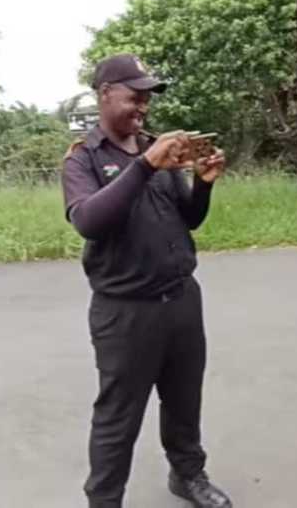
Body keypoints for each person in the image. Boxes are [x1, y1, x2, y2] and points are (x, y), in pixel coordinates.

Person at [61, 53, 231, 508]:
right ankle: (104, 500)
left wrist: (205, 183)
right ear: (104, 95)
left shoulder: (158, 148)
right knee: (118, 416)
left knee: (183, 400)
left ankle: (188, 475)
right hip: (125, 311)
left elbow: (188, 219)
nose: (142, 107)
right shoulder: (84, 160)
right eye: (134, 96)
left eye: (147, 99)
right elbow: (89, 222)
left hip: (181, 301)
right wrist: (145, 167)